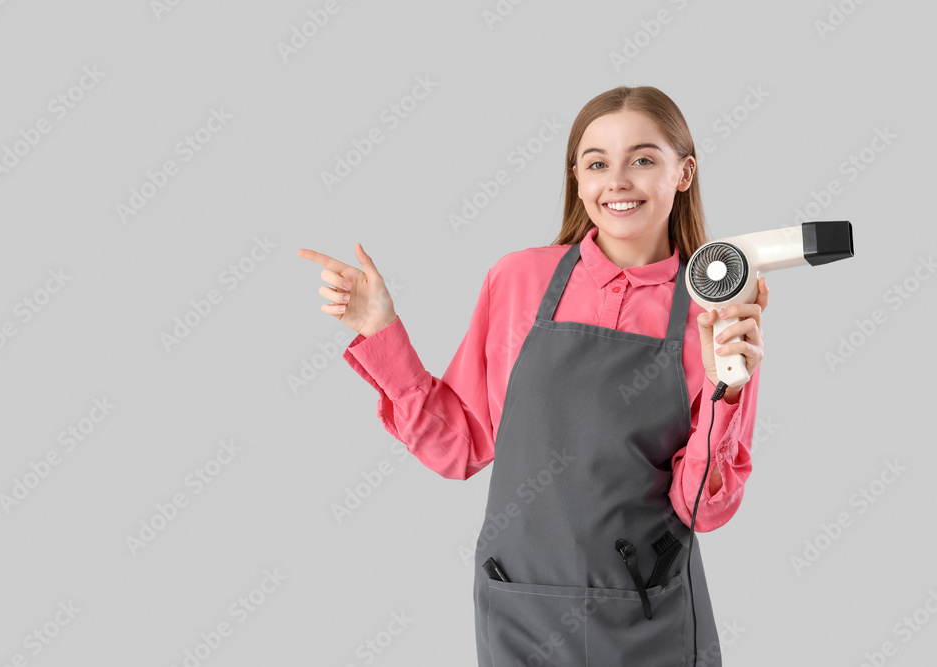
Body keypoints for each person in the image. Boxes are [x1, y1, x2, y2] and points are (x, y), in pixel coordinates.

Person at [298, 85, 768, 666]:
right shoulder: (519, 280)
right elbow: (459, 445)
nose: (617, 182)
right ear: (577, 176)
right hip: (521, 604)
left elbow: (702, 509)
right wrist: (382, 330)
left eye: (643, 159)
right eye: (597, 163)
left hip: (647, 612)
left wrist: (730, 388)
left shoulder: (712, 312)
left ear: (684, 173)